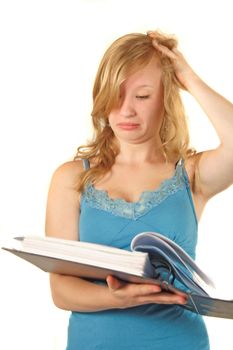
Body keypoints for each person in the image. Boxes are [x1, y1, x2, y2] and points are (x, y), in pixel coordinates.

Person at [45, 30, 233, 350]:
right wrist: (117, 298)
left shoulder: (190, 175)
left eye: (142, 96)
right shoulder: (71, 179)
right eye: (114, 96)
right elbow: (61, 290)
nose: (126, 110)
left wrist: (186, 76)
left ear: (166, 97)